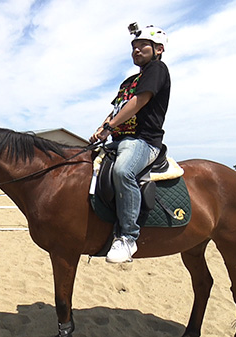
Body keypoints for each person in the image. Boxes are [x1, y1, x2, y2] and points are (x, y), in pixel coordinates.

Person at [90, 24, 171, 263]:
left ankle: (128, 237)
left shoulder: (157, 69)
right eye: (133, 47)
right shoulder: (128, 82)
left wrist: (109, 127)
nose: (136, 50)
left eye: (142, 46)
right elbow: (117, 108)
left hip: (143, 141)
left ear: (159, 49)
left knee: (123, 171)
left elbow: (139, 101)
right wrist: (102, 128)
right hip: (118, 140)